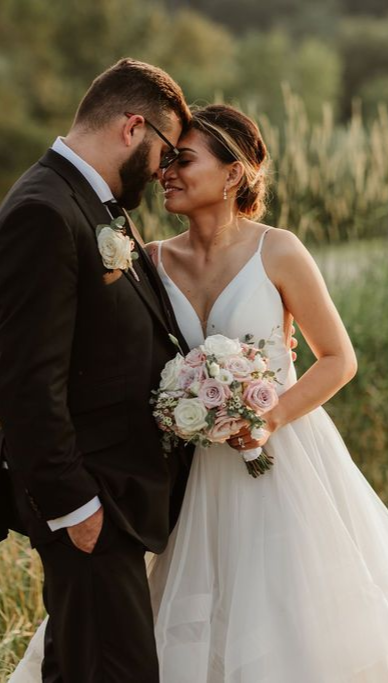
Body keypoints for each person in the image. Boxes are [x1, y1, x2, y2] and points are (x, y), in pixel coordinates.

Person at [145, 104, 388, 681]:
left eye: (183, 160)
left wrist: (270, 417)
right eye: (165, 162)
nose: (166, 173)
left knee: (288, 616)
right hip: (192, 474)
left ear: (234, 174)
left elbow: (339, 359)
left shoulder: (277, 250)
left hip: (282, 462)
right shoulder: (150, 261)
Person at [0, 57, 192, 683]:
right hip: (89, 500)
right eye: (168, 152)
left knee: (90, 664)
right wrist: (76, 508)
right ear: (134, 127)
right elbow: (28, 385)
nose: (165, 171)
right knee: (109, 668)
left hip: (114, 493)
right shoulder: (43, 210)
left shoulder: (89, 203)